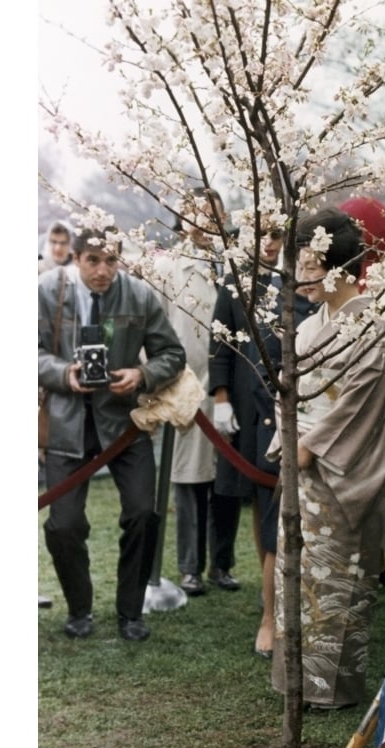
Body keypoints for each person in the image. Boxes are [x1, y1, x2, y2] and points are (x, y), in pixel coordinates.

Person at [269, 208, 385, 709]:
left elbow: (362, 406)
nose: (296, 278)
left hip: (337, 475)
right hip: (300, 470)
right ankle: (296, 683)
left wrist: (305, 446)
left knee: (334, 580)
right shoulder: (311, 328)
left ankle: (331, 690)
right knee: (298, 577)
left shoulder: (369, 328)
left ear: (327, 263)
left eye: (302, 264)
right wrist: (290, 438)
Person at [39, 228, 186, 641]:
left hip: (124, 426)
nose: (103, 271)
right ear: (75, 258)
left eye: (111, 261)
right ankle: (79, 609)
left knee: (143, 512)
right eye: (93, 261)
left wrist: (142, 374)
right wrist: (63, 374)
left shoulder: (138, 295)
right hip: (66, 426)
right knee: (63, 525)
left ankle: (130, 612)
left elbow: (172, 354)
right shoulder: (46, 290)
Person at [210, 219, 297, 656]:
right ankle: (267, 608)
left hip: (284, 397)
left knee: (275, 498)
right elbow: (219, 342)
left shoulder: (293, 280)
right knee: (257, 491)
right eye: (261, 235)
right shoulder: (234, 282)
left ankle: (281, 604)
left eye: (277, 236)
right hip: (245, 399)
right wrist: (220, 396)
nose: (268, 244)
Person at [154, 188, 227, 597]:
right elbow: (158, 329)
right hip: (187, 386)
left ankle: (222, 563)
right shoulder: (168, 269)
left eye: (211, 213)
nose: (203, 221)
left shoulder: (232, 265)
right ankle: (189, 567)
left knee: (225, 482)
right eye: (196, 213)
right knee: (188, 482)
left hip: (226, 387)